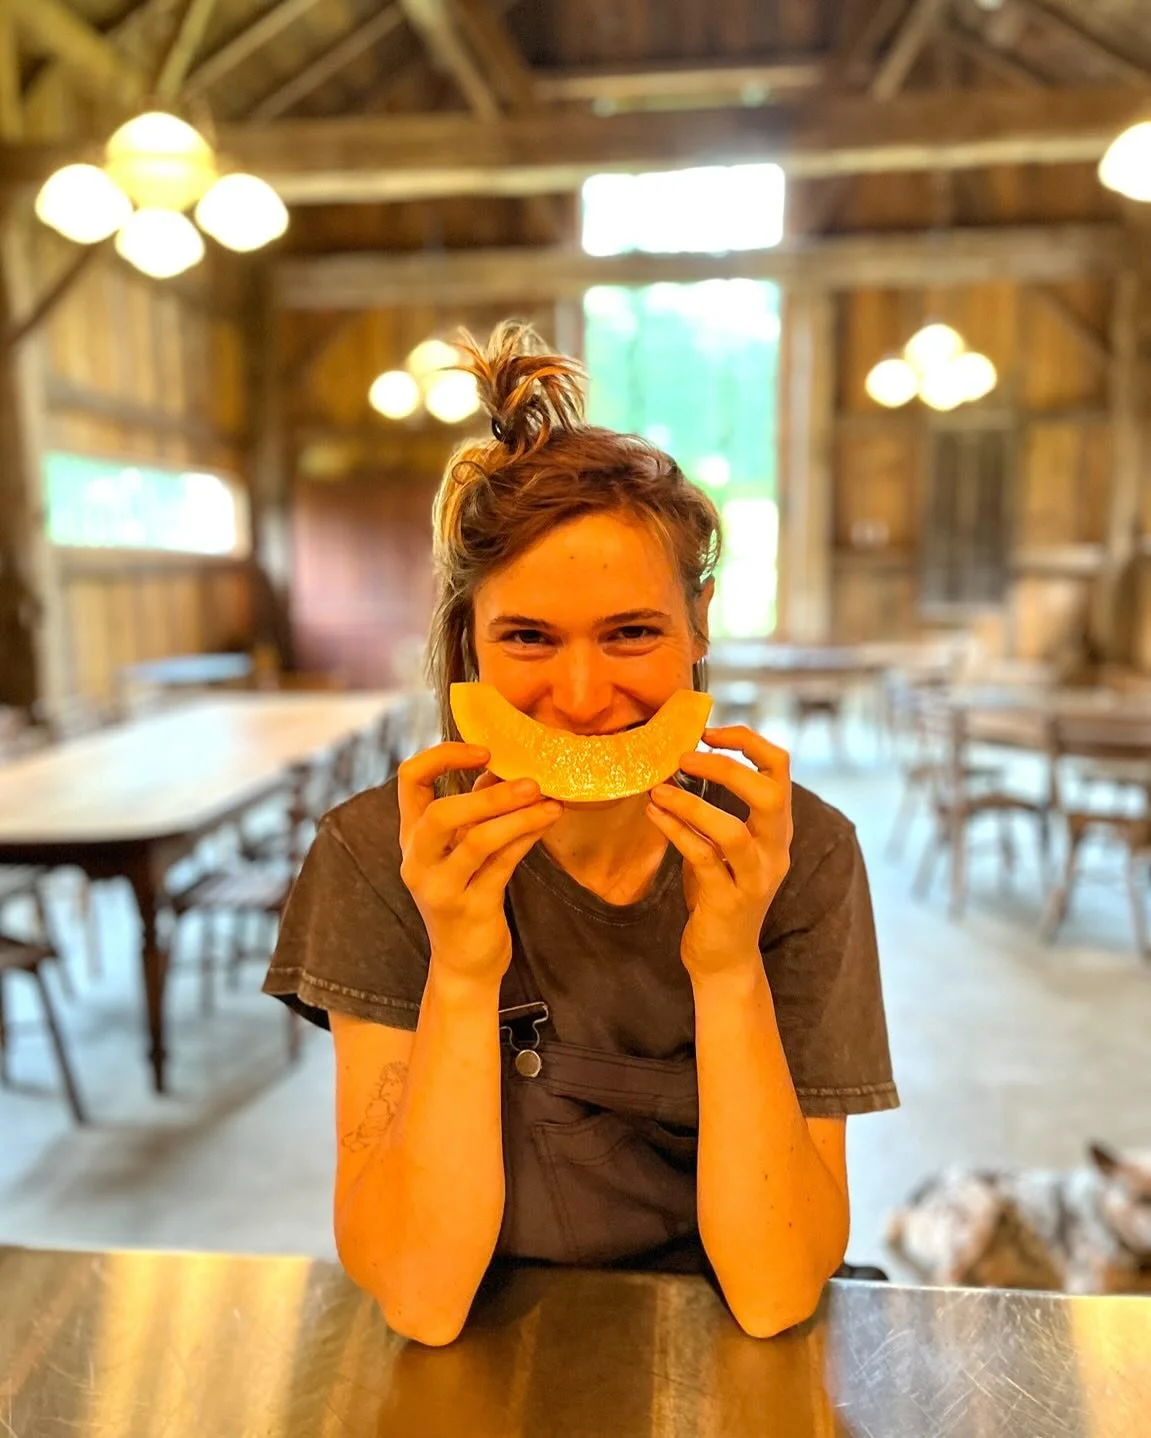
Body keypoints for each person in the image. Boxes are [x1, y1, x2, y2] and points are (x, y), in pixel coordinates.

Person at [263, 321, 899, 1347]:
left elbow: (779, 1290)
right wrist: (463, 973)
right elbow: (419, 1302)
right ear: (467, 637)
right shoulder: (379, 854)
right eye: (527, 637)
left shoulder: (797, 855)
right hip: (482, 1339)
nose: (580, 694)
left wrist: (726, 961)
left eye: (631, 633)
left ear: (698, 623)